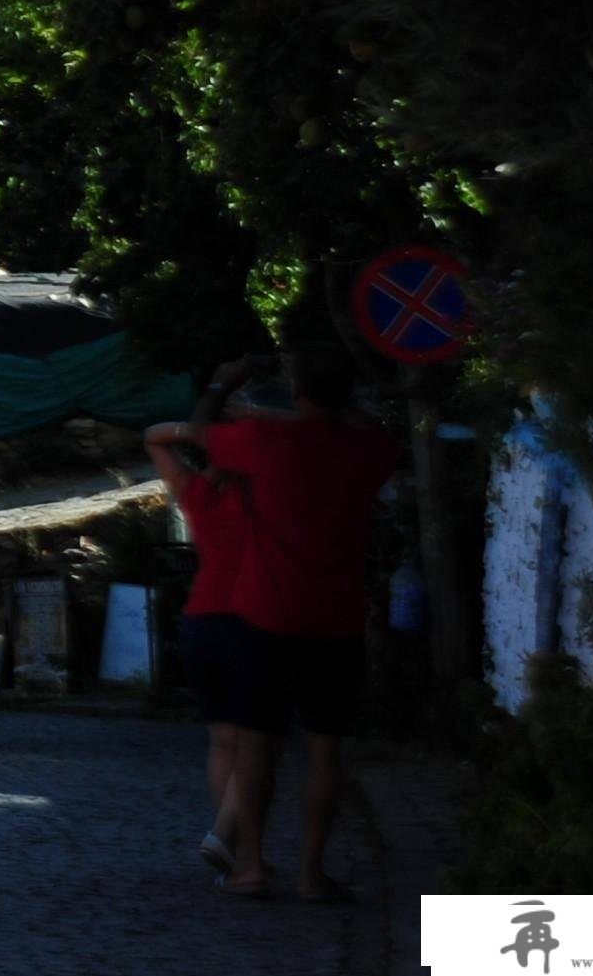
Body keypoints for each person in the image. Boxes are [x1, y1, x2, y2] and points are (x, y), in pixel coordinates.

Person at [192, 345, 401, 902]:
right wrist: (337, 403)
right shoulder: (369, 451)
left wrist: (221, 383)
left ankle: (252, 867)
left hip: (263, 614)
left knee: (256, 745)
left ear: (298, 391)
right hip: (337, 619)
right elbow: (372, 432)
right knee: (325, 750)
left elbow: (200, 432)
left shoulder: (267, 442)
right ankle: (312, 873)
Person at [144, 365, 271, 884]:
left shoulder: (196, 492)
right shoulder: (264, 494)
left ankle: (234, 852)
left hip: (200, 621)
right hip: (249, 619)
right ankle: (226, 839)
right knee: (255, 740)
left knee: (222, 740)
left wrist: (195, 429)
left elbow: (153, 437)